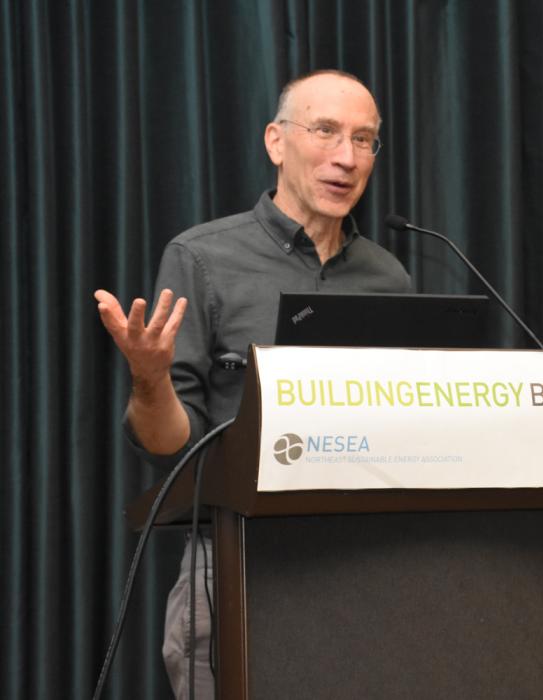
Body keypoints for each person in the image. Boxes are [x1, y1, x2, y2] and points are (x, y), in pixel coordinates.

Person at [94, 69, 412, 699]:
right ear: (276, 141)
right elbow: (169, 445)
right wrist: (150, 379)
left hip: (365, 569)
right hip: (234, 562)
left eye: (363, 140)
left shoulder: (390, 277)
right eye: (325, 131)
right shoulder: (203, 259)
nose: (346, 158)